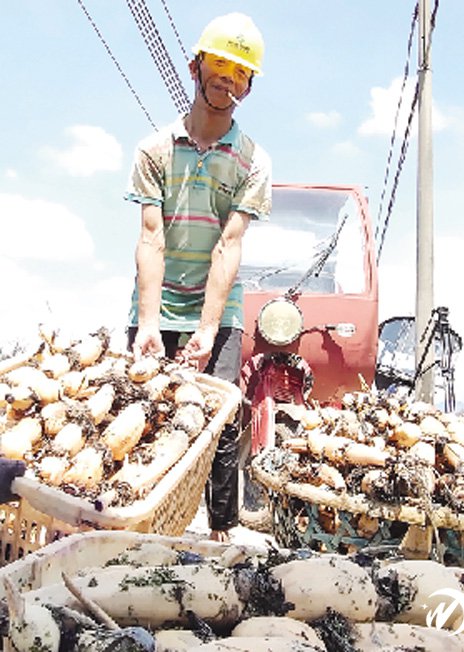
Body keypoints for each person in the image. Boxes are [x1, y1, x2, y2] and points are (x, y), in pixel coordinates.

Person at [124, 13, 272, 542]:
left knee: (220, 415)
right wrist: (148, 323)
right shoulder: (154, 150)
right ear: (196, 67)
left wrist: (207, 330)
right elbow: (151, 237)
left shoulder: (253, 161)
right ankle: (137, 523)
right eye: (219, 66)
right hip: (157, 299)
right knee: (142, 411)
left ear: (249, 87)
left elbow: (229, 245)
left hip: (218, 307)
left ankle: (221, 532)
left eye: (240, 73)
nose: (227, 79)